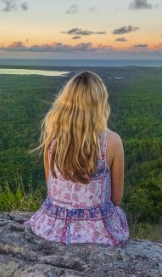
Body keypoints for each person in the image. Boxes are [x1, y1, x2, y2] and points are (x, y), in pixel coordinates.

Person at [25, 70, 129, 245]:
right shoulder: (112, 142)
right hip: (97, 229)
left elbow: (51, 189)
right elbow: (116, 199)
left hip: (52, 225)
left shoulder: (52, 140)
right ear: (100, 103)